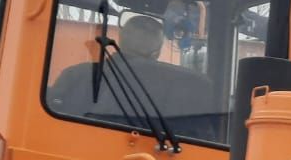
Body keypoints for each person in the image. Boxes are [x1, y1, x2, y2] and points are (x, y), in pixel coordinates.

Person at [47, 13, 219, 142]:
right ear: (156, 52)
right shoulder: (189, 86)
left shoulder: (75, 75)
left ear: (120, 41)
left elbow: (53, 129)